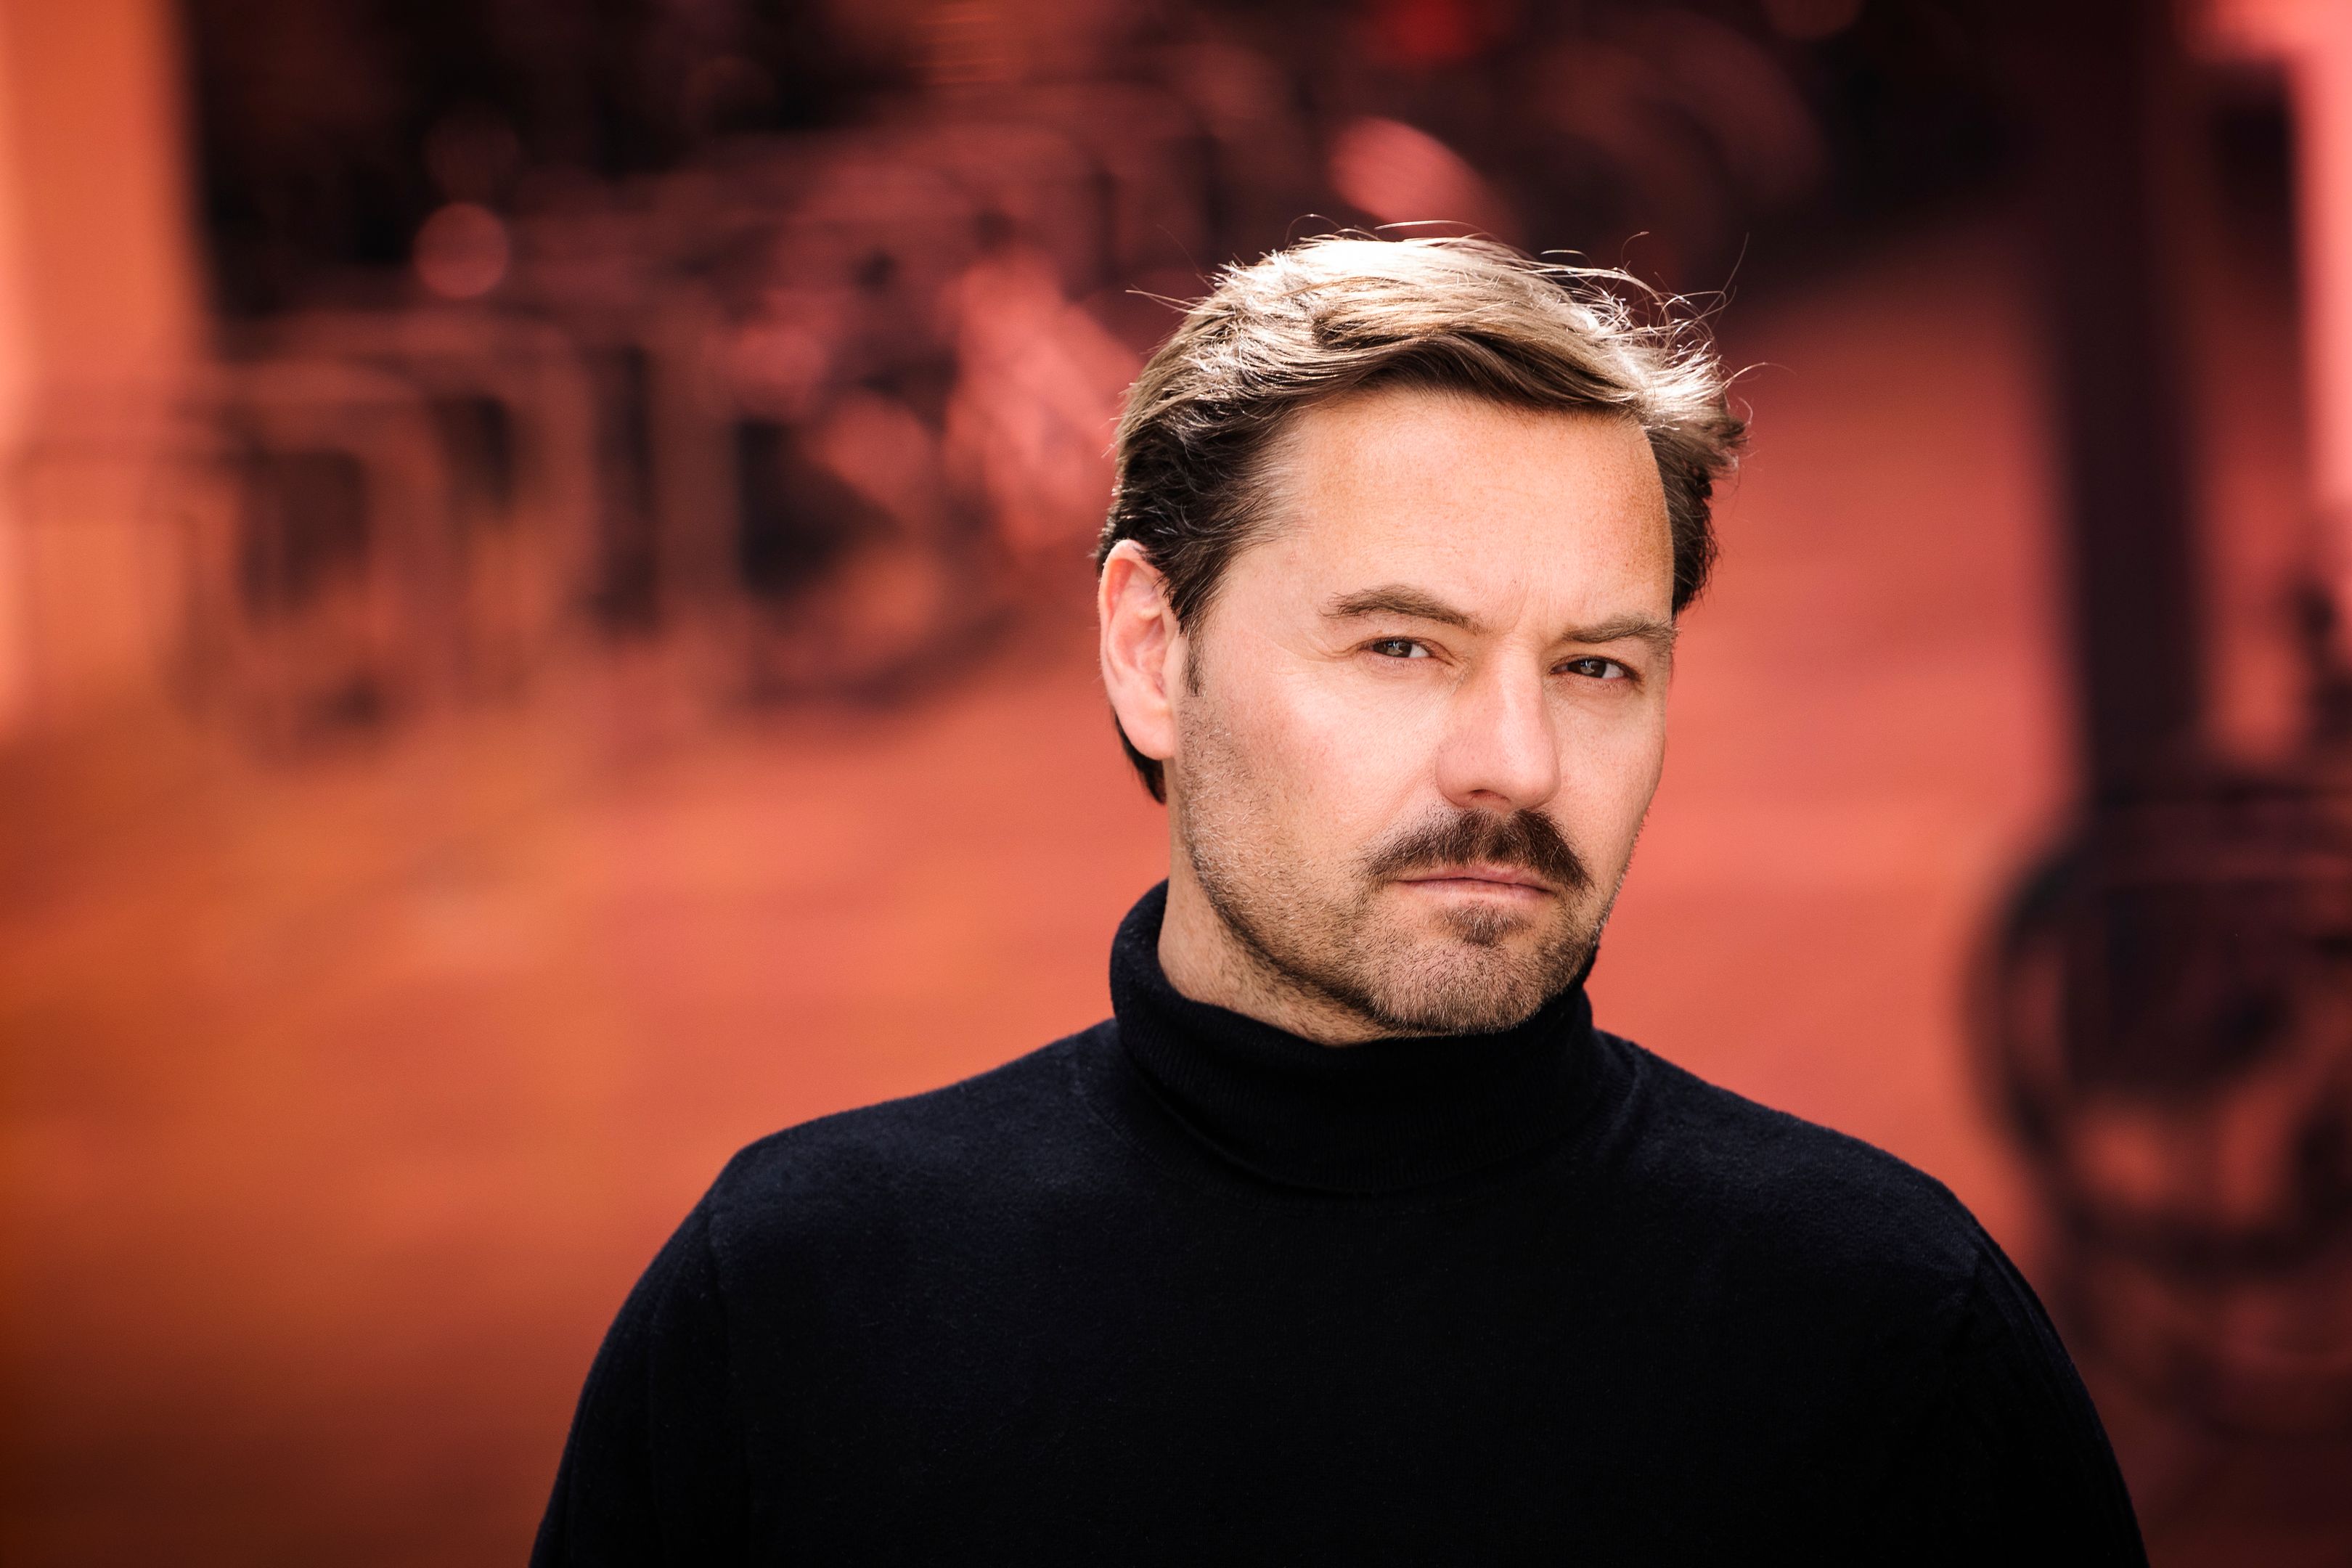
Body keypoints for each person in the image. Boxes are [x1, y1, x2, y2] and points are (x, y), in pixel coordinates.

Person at [533, 236, 2146, 1564]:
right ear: (1150, 652)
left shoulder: (1882, 1335)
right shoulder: (801, 1305)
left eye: (1595, 667)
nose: (1515, 762)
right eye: (1402, 645)